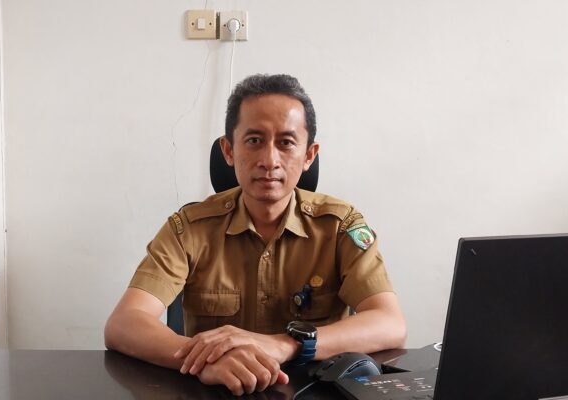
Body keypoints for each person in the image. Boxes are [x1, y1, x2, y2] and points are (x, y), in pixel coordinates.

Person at [104, 74, 406, 396]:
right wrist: (202, 361)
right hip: (217, 390)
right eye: (254, 140)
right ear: (229, 150)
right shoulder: (189, 229)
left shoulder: (340, 226)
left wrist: (287, 344)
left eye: (286, 143)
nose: (269, 160)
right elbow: (124, 323)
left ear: (309, 155)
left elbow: (390, 323)